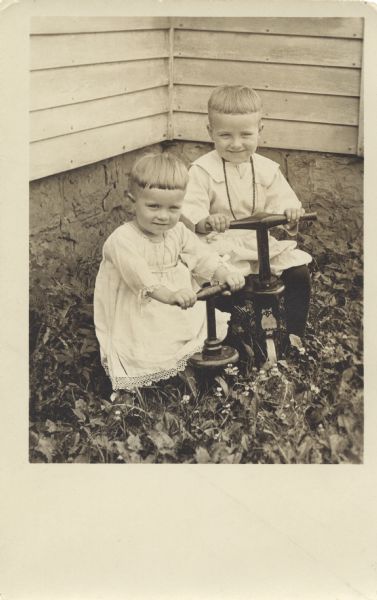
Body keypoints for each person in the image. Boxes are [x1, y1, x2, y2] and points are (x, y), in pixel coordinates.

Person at [93, 153, 244, 391]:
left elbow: (201, 254)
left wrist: (223, 273)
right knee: (149, 343)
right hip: (141, 303)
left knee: (192, 328)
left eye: (173, 208)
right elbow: (141, 277)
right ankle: (151, 383)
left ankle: (186, 368)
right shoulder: (123, 240)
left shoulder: (178, 232)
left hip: (179, 298)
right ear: (132, 202)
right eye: (153, 206)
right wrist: (170, 296)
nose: (163, 216)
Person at [181, 85, 312, 344]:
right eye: (226, 135)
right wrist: (206, 222)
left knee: (298, 273)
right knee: (222, 285)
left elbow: (283, 202)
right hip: (220, 244)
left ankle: (296, 334)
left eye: (246, 134)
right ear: (210, 132)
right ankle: (226, 334)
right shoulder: (201, 171)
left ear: (260, 131)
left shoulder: (266, 169)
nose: (236, 144)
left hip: (259, 243)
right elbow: (190, 209)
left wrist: (290, 212)